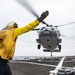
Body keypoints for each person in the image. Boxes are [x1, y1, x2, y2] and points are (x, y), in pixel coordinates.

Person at [0, 10, 49, 75]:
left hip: (4, 61)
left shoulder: (1, 32)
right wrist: (40, 19)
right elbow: (28, 27)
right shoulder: (13, 31)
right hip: (1, 60)